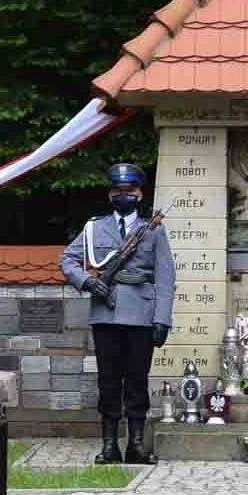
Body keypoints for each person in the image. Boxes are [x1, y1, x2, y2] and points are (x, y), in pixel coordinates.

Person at [58, 162, 173, 465]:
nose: (125, 195)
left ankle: (135, 444)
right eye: (119, 191)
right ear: (111, 195)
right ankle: (109, 445)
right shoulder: (94, 227)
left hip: (141, 315)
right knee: (108, 381)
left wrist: (162, 318)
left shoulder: (153, 231)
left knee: (136, 380)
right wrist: (87, 281)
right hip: (105, 314)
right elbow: (68, 260)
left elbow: (165, 277)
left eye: (130, 191)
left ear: (139, 193)